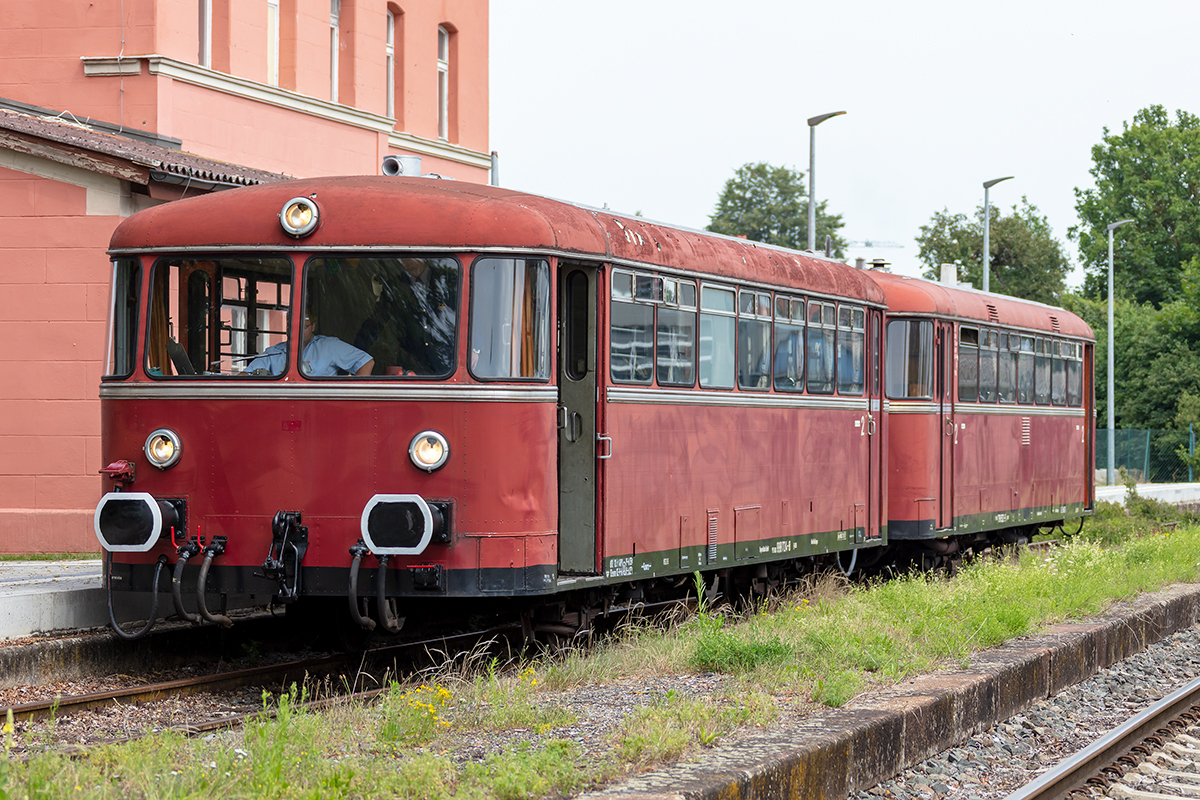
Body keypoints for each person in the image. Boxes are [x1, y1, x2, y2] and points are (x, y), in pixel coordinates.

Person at [245, 308, 374, 376]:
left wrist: (351, 401)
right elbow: (245, 375)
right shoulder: (274, 352)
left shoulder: (329, 346)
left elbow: (366, 362)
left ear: (313, 327)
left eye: (304, 327)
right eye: (291, 326)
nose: (296, 331)